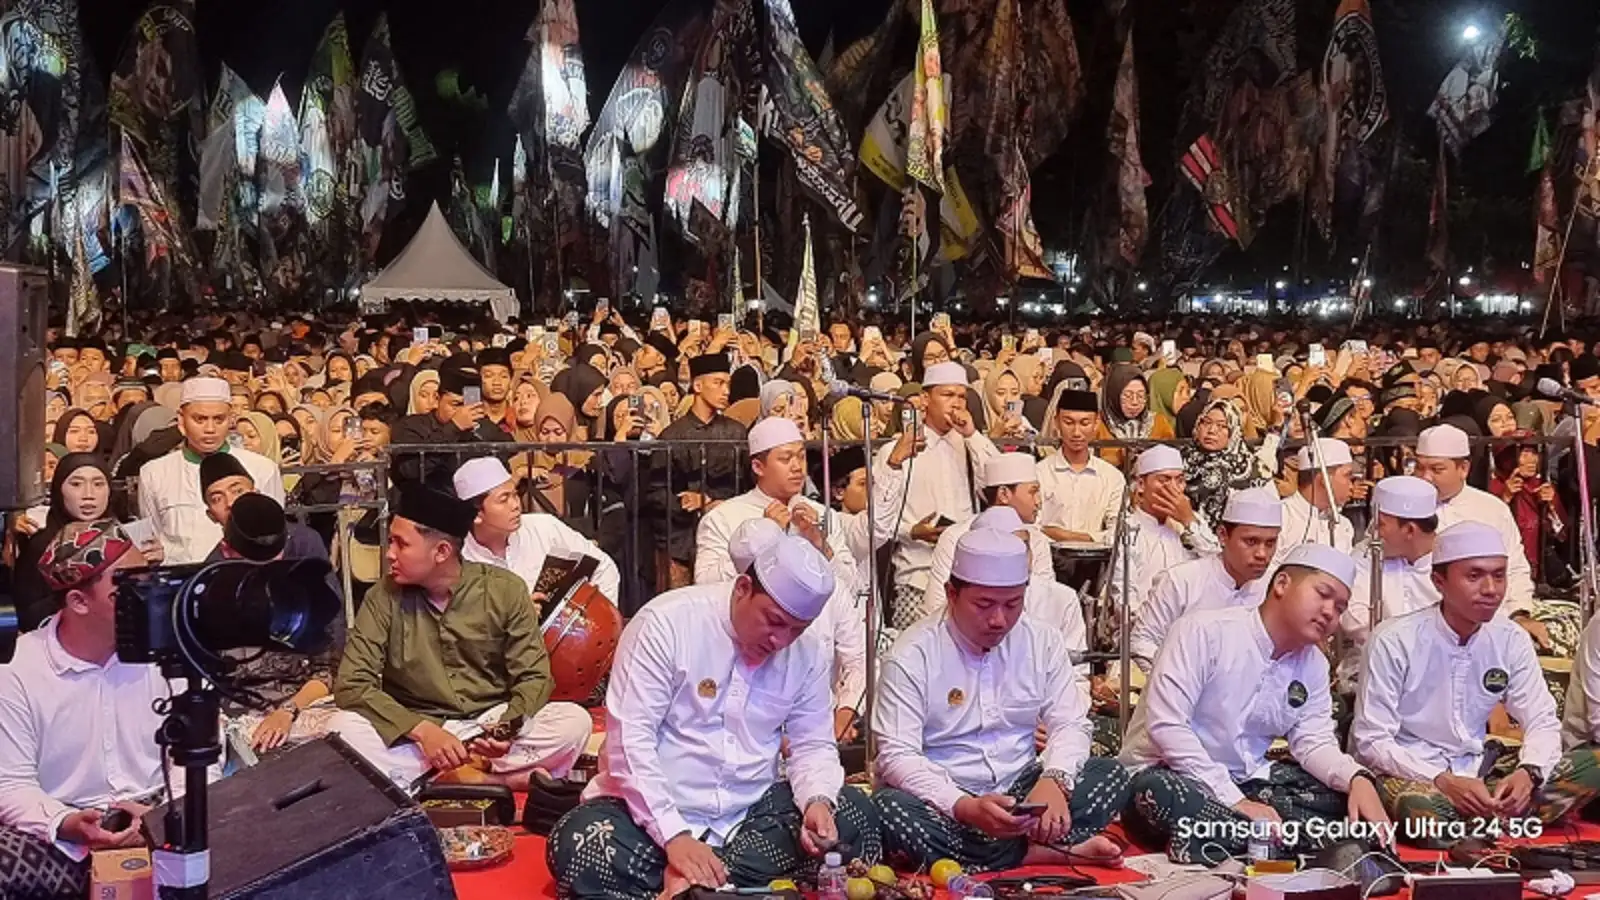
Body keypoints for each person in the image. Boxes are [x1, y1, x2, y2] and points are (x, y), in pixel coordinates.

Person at [548, 537, 880, 900]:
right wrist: (674, 837)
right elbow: (631, 742)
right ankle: (726, 883)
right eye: (774, 621)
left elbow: (813, 744)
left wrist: (817, 801)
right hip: (648, 816)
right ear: (743, 588)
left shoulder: (809, 651)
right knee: (580, 842)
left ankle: (695, 883)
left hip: (749, 813)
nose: (781, 640)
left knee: (855, 811)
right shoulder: (665, 623)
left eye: (796, 630)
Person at [873, 529, 1129, 871]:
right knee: (891, 808)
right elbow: (896, 756)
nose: (999, 619)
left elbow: (1070, 722)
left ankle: (994, 851)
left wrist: (1054, 780)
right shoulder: (911, 656)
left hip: (1025, 790)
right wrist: (963, 806)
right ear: (951, 593)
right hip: (949, 799)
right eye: (984, 605)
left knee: (1110, 773)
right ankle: (1045, 851)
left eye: (1012, 605)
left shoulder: (1042, 641)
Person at [1119, 544, 1389, 863]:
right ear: (1282, 584)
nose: (1331, 612)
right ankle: (1289, 841)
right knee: (1157, 793)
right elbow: (1167, 728)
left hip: (1249, 781)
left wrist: (1357, 778)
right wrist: (1232, 800)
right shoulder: (1202, 632)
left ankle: (1228, 839)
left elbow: (1313, 742)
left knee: (1343, 799)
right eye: (1323, 594)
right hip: (1175, 773)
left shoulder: (1313, 663)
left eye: (1341, 607)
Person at [330, 484, 592, 791]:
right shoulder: (383, 596)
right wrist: (422, 731)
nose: (390, 555)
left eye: (401, 544)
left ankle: (440, 779)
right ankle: (491, 780)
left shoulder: (505, 590)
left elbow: (534, 676)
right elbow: (352, 683)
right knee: (342, 730)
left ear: (441, 552)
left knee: (573, 722)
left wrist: (506, 728)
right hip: (417, 728)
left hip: (487, 723)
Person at [1352, 523, 1600, 844]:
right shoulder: (1393, 640)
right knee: (1422, 810)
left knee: (1593, 764)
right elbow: (1371, 742)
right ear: (1438, 581)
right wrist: (1442, 780)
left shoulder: (1510, 638)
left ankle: (1486, 819)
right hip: (1416, 775)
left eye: (1499, 575)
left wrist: (1529, 772)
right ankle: (1502, 822)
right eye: (1474, 576)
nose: (1491, 589)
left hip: (1482, 771)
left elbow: (1541, 720)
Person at [0, 522, 159, 897]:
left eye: (146, 580)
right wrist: (66, 822)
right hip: (61, 829)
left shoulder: (167, 651)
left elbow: (197, 758)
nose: (147, 596)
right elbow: (10, 785)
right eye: (127, 588)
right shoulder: (18, 670)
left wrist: (165, 817)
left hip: (161, 810)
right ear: (78, 602)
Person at [212, 494, 346, 764]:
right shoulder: (208, 599)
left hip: (301, 706)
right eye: (254, 562)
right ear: (226, 551)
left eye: (275, 559)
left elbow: (325, 672)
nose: (267, 571)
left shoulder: (304, 590)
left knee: (352, 732)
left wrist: (287, 711)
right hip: (235, 716)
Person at [880, 361, 1001, 628]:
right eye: (947, 395)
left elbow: (999, 483)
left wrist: (972, 434)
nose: (956, 404)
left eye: (961, 397)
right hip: (917, 575)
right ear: (925, 400)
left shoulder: (970, 445)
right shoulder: (897, 449)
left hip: (968, 576)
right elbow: (880, 517)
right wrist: (913, 531)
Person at [1413, 423, 1544, 646]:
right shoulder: (1404, 508)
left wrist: (1520, 613)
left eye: (1436, 470)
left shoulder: (1490, 509)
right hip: (1419, 631)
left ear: (1463, 468)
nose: (1425, 478)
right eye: (1419, 468)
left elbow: (1515, 567)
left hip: (1488, 629)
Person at [1129, 486, 1282, 671]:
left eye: (1270, 543)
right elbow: (1142, 641)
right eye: (1251, 542)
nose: (1262, 554)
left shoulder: (1278, 586)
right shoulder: (1181, 581)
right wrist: (1179, 678)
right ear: (1223, 536)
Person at [694, 416, 856, 587]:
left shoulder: (823, 515)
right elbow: (705, 583)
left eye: (801, 457)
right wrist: (761, 539)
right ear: (758, 467)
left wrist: (821, 545)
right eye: (786, 459)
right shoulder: (723, 517)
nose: (797, 467)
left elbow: (851, 585)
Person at [138, 376, 284, 564]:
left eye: (219, 419)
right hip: (182, 585)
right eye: (200, 419)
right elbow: (154, 538)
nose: (210, 428)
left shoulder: (262, 469)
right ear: (181, 420)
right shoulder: (154, 473)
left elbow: (273, 538)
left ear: (231, 419)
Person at [452, 456, 622, 606]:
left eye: (515, 494)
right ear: (476, 514)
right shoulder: (460, 561)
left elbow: (604, 567)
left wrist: (598, 622)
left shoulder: (543, 528)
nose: (516, 505)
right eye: (504, 500)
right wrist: (517, 618)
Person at [650, 351, 747, 589]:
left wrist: (715, 503)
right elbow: (655, 493)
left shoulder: (736, 433)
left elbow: (747, 485)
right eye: (718, 383)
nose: (726, 391)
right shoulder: (672, 436)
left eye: (728, 384)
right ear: (697, 385)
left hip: (728, 533)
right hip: (683, 538)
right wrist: (684, 502)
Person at [918, 452, 1054, 618]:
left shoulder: (1037, 540)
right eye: (1032, 492)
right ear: (1004, 494)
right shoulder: (955, 536)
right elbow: (935, 607)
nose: (1038, 501)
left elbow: (1045, 603)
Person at [1337, 476, 1440, 688]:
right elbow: (1354, 620)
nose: (1372, 532)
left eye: (1381, 524)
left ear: (1410, 530)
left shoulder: (1452, 562)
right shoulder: (1366, 554)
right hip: (1373, 674)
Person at [1105, 445, 1220, 627]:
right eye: (1164, 480)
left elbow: (1219, 564)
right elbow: (1124, 600)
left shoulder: (1191, 520)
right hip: (1144, 633)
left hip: (1193, 628)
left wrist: (1189, 522)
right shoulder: (1127, 528)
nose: (1173, 489)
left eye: (1180, 481)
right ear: (1141, 485)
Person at [389, 364, 512, 488]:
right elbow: (410, 469)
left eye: (469, 406)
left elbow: (509, 450)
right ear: (437, 399)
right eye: (456, 405)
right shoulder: (411, 425)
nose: (463, 412)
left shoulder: (481, 425)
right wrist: (454, 427)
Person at [197, 453, 327, 563]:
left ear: (256, 493)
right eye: (217, 499)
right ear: (211, 515)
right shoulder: (215, 565)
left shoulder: (301, 540)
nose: (230, 502)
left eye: (237, 491)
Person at [1035, 386, 1124, 545]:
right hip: (1048, 560)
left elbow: (1118, 531)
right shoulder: (1040, 473)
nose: (1076, 432)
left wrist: (1066, 536)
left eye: (1084, 423)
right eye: (1068, 422)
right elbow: (1034, 527)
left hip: (1098, 562)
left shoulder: (1112, 477)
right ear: (1056, 422)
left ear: (1096, 424)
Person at [1274, 438, 1356, 562]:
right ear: (1324, 479)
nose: (1351, 485)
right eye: (1347, 476)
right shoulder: (1281, 518)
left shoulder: (1343, 526)